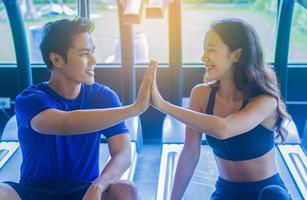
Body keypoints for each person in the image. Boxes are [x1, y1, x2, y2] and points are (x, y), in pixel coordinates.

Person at [0, 18, 156, 200]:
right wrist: (133, 109)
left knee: (125, 189)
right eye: (84, 54)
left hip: (84, 191)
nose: (93, 60)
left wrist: (98, 186)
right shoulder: (30, 99)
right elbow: (66, 124)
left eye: (93, 52)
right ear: (57, 59)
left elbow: (123, 153)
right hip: (34, 192)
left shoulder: (103, 97)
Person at [150, 18, 291, 200]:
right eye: (204, 50)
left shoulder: (265, 100)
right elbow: (190, 152)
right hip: (226, 192)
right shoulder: (201, 95)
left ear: (237, 55)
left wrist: (163, 105)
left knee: (273, 195)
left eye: (211, 50)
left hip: (266, 193)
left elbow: (223, 129)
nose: (203, 58)